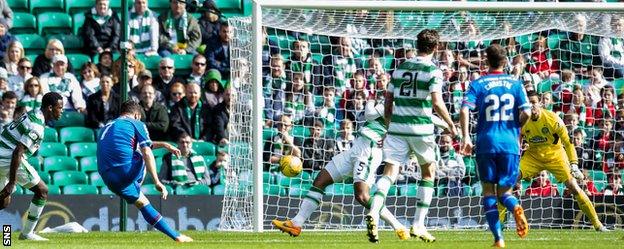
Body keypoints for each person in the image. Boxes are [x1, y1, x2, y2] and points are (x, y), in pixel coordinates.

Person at [272, 87, 409, 241]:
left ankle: (399, 227)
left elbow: (370, 114)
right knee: (320, 180)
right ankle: (296, 223)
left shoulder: (394, 107)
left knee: (362, 196)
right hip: (356, 148)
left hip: (368, 150)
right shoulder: (389, 104)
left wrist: (370, 100)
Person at [366, 29, 457, 243]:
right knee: (428, 172)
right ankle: (418, 224)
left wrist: (389, 126)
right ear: (436, 48)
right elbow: (436, 102)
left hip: (397, 128)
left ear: (416, 45)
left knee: (389, 173)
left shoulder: (400, 68)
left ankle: (374, 210)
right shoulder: (433, 71)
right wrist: (451, 124)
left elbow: (388, 102)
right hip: (420, 129)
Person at [459, 44, 531, 248]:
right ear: (505, 61)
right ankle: (515, 206)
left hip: (486, 142)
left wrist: (465, 137)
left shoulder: (478, 83)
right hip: (509, 143)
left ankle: (498, 239)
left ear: (485, 60)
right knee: (505, 193)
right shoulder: (515, 84)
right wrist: (515, 127)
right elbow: (526, 112)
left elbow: (465, 110)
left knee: (488, 191)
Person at [97, 100, 192, 242]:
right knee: (143, 151)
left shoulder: (107, 126)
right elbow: (146, 151)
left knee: (142, 203)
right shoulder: (136, 123)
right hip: (125, 171)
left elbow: (131, 144)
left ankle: (175, 236)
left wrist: (166, 145)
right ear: (136, 115)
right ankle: (140, 181)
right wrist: (157, 181)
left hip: (107, 176)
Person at [0, 92, 64, 241]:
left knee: (3, 201)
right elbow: (18, 152)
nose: (62, 110)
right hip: (6, 158)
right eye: (59, 107)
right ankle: (27, 233)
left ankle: (20, 235)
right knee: (42, 191)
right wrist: (12, 182)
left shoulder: (33, 113)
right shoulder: (37, 126)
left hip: (2, 153)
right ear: (50, 108)